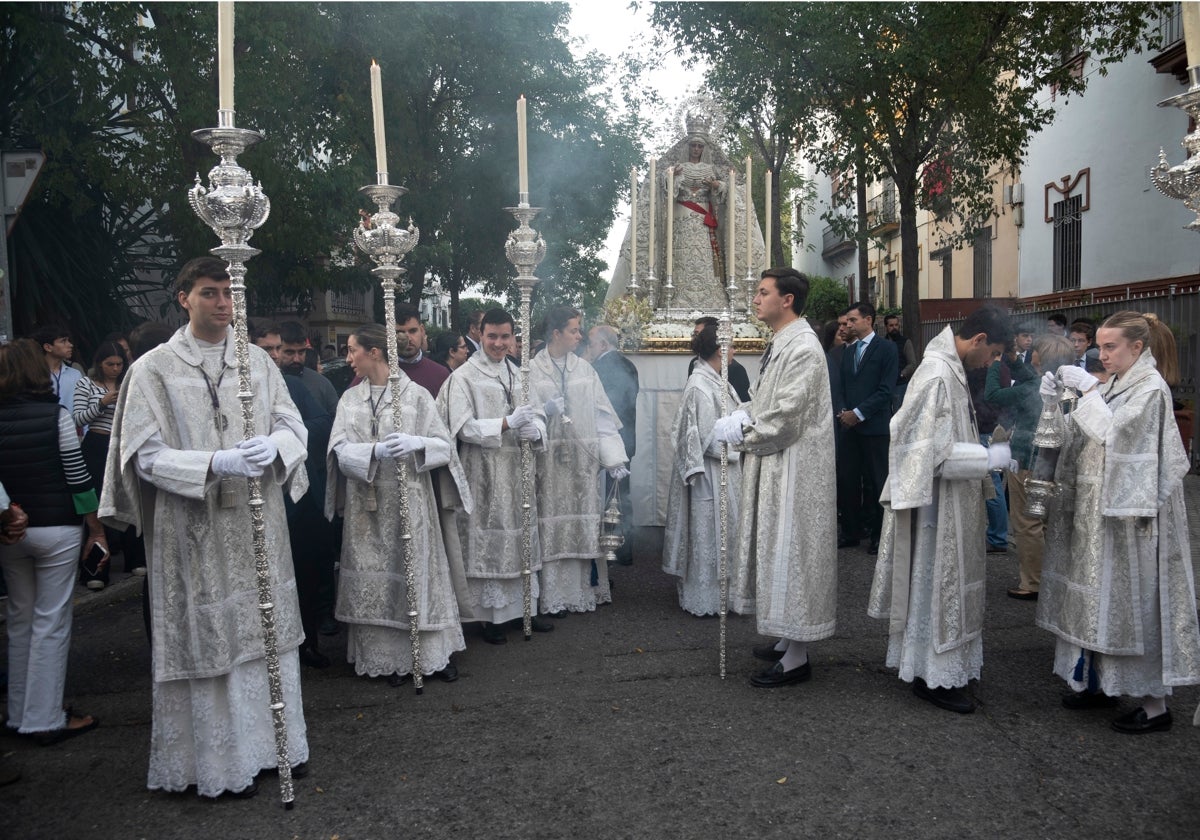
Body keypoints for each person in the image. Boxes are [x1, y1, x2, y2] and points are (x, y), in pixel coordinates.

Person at [100, 257, 309, 798]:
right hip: (193, 526)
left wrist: (276, 446)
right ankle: (218, 764)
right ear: (183, 298)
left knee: (265, 631)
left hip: (259, 523)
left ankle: (277, 746)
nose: (223, 303)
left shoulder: (258, 363)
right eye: (210, 292)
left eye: (229, 293)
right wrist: (214, 465)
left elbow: (292, 424)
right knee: (210, 636)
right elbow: (142, 458)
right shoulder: (152, 369)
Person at [1036, 311, 1200, 734]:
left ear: (1137, 348)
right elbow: (1083, 432)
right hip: (1098, 515)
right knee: (1096, 601)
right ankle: (1096, 683)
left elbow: (1117, 438)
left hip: (1133, 521)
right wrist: (1057, 401)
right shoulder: (1114, 384)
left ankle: (1154, 705)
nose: (1101, 354)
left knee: (1133, 604)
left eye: (1110, 347)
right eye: (1100, 347)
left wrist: (1088, 390)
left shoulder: (1151, 389)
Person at [868, 305, 1013, 714]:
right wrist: (988, 460)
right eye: (994, 353)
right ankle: (934, 673)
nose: (992, 362)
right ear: (980, 340)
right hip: (936, 509)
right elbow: (925, 453)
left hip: (952, 503)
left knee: (942, 584)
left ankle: (936, 667)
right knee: (936, 585)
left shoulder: (950, 368)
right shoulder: (935, 373)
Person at [713, 268, 837, 688]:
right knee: (779, 549)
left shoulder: (802, 347)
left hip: (796, 468)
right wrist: (742, 413)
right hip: (780, 464)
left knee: (793, 551)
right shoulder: (783, 342)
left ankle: (798, 657)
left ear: (787, 300)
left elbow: (787, 417)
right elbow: (768, 401)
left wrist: (744, 432)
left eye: (763, 292)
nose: (756, 298)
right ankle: (788, 636)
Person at [327, 324, 468, 685]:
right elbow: (338, 449)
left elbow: (444, 447)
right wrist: (372, 451)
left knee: (414, 575)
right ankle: (387, 659)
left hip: (410, 502)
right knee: (378, 581)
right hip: (366, 503)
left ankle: (427, 657)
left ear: (374, 352)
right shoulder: (349, 399)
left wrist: (416, 443)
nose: (348, 358)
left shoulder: (417, 396)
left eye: (352, 349)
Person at [0, 339, 105, 744]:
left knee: (20, 619)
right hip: (57, 528)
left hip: (10, 530)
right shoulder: (53, 415)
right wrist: (95, 529)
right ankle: (43, 718)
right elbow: (77, 476)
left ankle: (18, 712)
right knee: (51, 622)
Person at [436, 308, 552, 644]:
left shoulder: (521, 374)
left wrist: (536, 430)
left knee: (522, 536)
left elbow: (541, 414)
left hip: (519, 471)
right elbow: (462, 427)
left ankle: (524, 609)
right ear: (479, 335)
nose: (499, 344)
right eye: (492, 337)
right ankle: (492, 617)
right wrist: (506, 424)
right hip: (484, 472)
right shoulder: (463, 378)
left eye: (505, 337)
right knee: (492, 540)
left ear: (514, 337)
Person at [530, 306, 628, 615]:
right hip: (547, 466)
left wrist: (614, 458)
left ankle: (581, 592)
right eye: (574, 329)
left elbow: (602, 417)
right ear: (556, 333)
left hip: (581, 468)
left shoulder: (586, 370)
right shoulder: (531, 370)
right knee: (551, 532)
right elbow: (524, 417)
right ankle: (551, 598)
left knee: (581, 528)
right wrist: (543, 411)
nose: (579, 335)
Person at [251, 320, 333, 670]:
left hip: (298, 494)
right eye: (268, 350)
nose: (274, 356)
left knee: (304, 572)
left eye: (277, 350)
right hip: (252, 494)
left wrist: (280, 438)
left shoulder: (294, 387)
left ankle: (307, 643)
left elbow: (320, 424)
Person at [984, 334, 1074, 601]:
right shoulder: (1067, 381)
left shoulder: (1033, 387)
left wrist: (997, 363)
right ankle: (1051, 576)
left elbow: (993, 394)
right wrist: (1012, 360)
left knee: (1027, 524)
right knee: (1047, 523)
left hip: (1027, 460)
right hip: (1055, 462)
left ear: (1041, 359)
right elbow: (1028, 375)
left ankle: (1032, 582)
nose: (1029, 353)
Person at [663, 321, 742, 616]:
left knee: (723, 533)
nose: (735, 351)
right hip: (710, 475)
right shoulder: (699, 385)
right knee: (710, 535)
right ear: (721, 351)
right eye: (731, 345)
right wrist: (740, 433)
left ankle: (726, 594)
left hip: (724, 470)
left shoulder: (717, 379)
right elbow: (706, 440)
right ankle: (707, 596)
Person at [73, 341, 146, 589]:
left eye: (118, 364)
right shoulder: (85, 383)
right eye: (109, 364)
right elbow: (78, 418)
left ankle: (135, 558)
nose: (115, 369)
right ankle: (96, 567)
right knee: (97, 502)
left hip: (123, 443)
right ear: (99, 364)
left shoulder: (129, 380)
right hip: (96, 443)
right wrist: (102, 403)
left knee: (128, 496)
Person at [837, 301, 899, 554]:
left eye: (853, 320)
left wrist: (859, 413)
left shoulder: (886, 349)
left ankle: (877, 535)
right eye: (847, 321)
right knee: (848, 480)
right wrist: (844, 412)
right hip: (849, 427)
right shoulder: (849, 351)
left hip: (874, 427)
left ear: (868, 320)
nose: (848, 325)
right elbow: (841, 386)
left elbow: (886, 390)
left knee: (876, 482)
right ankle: (851, 531)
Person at [586, 324, 639, 566]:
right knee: (621, 495)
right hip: (626, 440)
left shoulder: (599, 368)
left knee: (608, 497)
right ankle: (624, 549)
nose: (589, 348)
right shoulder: (629, 364)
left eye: (592, 343)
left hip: (609, 441)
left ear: (604, 345)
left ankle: (610, 550)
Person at [967, 361, 1007, 555]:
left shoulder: (985, 369)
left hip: (984, 429)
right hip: (994, 428)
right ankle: (997, 534)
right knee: (993, 482)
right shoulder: (1002, 368)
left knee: (991, 484)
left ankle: (998, 537)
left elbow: (976, 401)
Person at [687, 316, 751, 402]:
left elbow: (743, 402)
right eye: (694, 334)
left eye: (697, 334)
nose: (695, 339)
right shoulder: (695, 366)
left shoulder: (736, 369)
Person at [392, 303, 450, 398]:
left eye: (413, 331)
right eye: (400, 332)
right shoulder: (376, 373)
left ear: (422, 330)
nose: (408, 338)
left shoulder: (440, 375)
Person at [33, 324, 83, 417]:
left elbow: (82, 407)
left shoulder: (75, 374)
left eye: (68, 340)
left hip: (71, 428)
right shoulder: (34, 375)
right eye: (63, 341)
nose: (70, 345)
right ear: (48, 347)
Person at [883, 314, 917, 410]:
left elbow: (912, 364)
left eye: (896, 325)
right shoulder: (881, 343)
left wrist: (901, 374)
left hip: (900, 385)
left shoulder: (906, 342)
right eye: (891, 325)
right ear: (886, 327)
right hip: (884, 386)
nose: (894, 328)